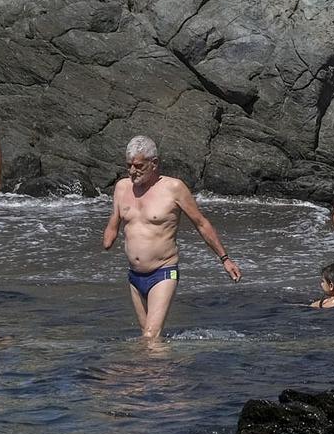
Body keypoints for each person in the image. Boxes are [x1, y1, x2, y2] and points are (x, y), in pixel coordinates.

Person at [101, 136, 243, 338]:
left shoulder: (173, 188)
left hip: (163, 271)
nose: (133, 171)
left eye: (138, 166)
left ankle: (160, 368)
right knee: (148, 337)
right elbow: (114, 221)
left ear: (154, 163)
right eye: (129, 166)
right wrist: (110, 236)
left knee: (150, 336)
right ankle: (162, 369)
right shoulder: (122, 187)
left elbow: (201, 223)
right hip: (134, 276)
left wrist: (225, 259)